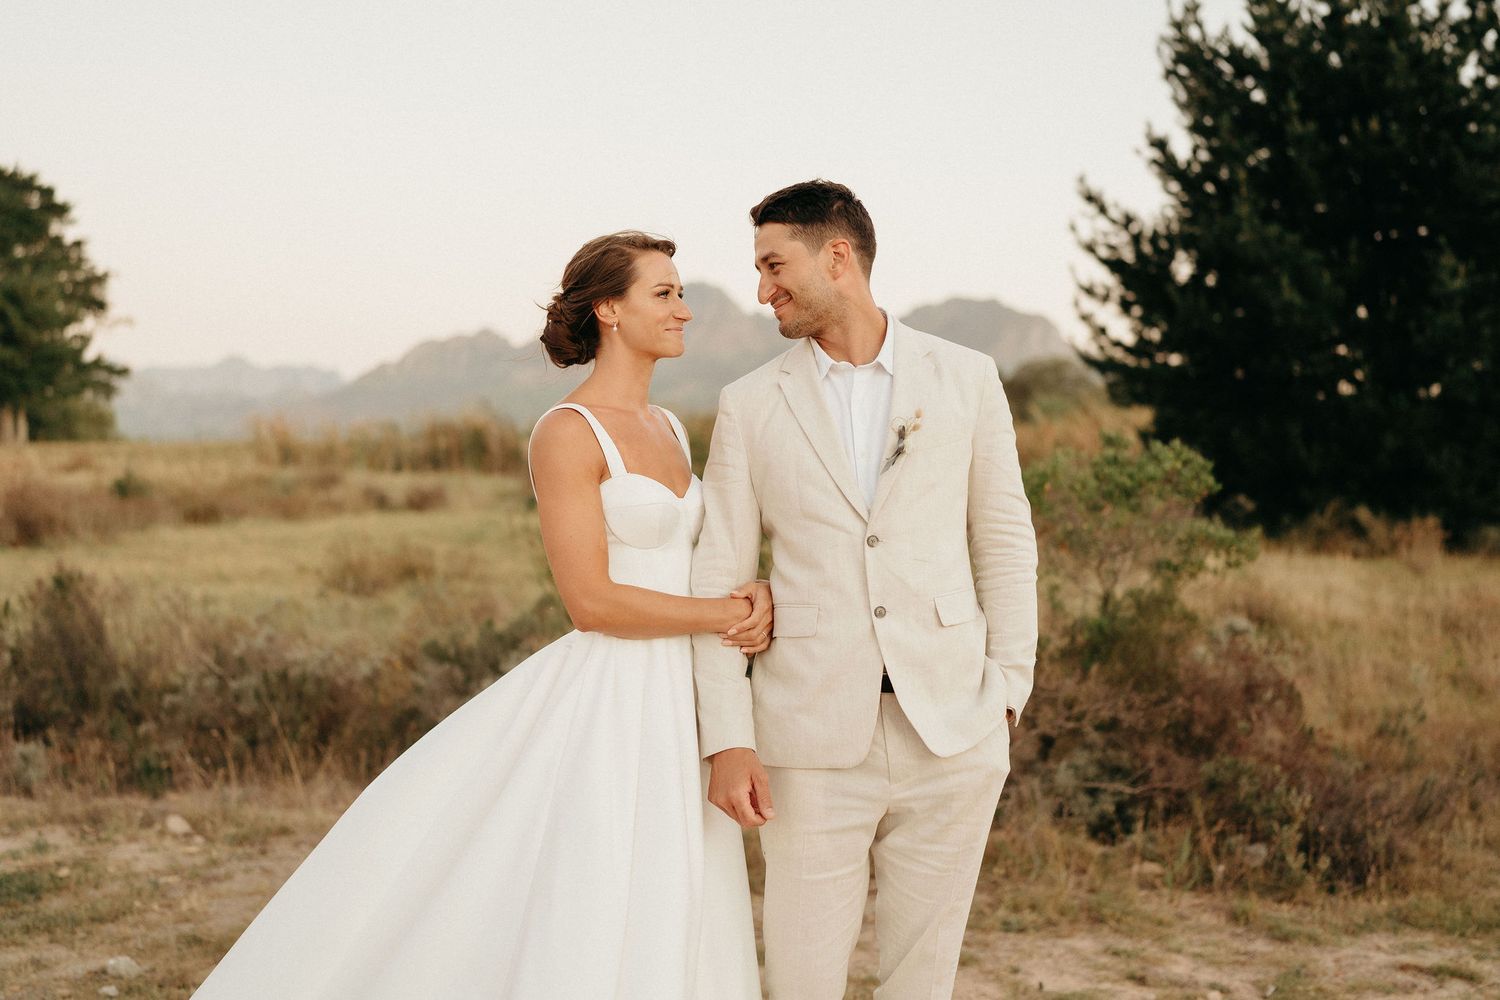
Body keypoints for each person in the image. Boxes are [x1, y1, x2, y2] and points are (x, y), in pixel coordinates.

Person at [192, 231, 764, 999]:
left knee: (677, 882)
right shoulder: (568, 432)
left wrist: (751, 597)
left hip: (682, 694)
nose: (685, 310)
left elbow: (698, 559)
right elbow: (590, 602)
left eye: (681, 293)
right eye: (664, 294)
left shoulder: (668, 428)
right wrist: (718, 613)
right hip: (613, 696)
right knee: (591, 883)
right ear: (608, 310)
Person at [692, 180, 1039, 999]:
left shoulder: (966, 377)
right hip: (808, 736)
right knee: (802, 977)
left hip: (953, 727)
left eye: (775, 265)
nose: (763, 289)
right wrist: (728, 738)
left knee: (923, 979)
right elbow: (720, 577)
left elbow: (1003, 540)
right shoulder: (750, 404)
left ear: (837, 257)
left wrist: (1008, 691)